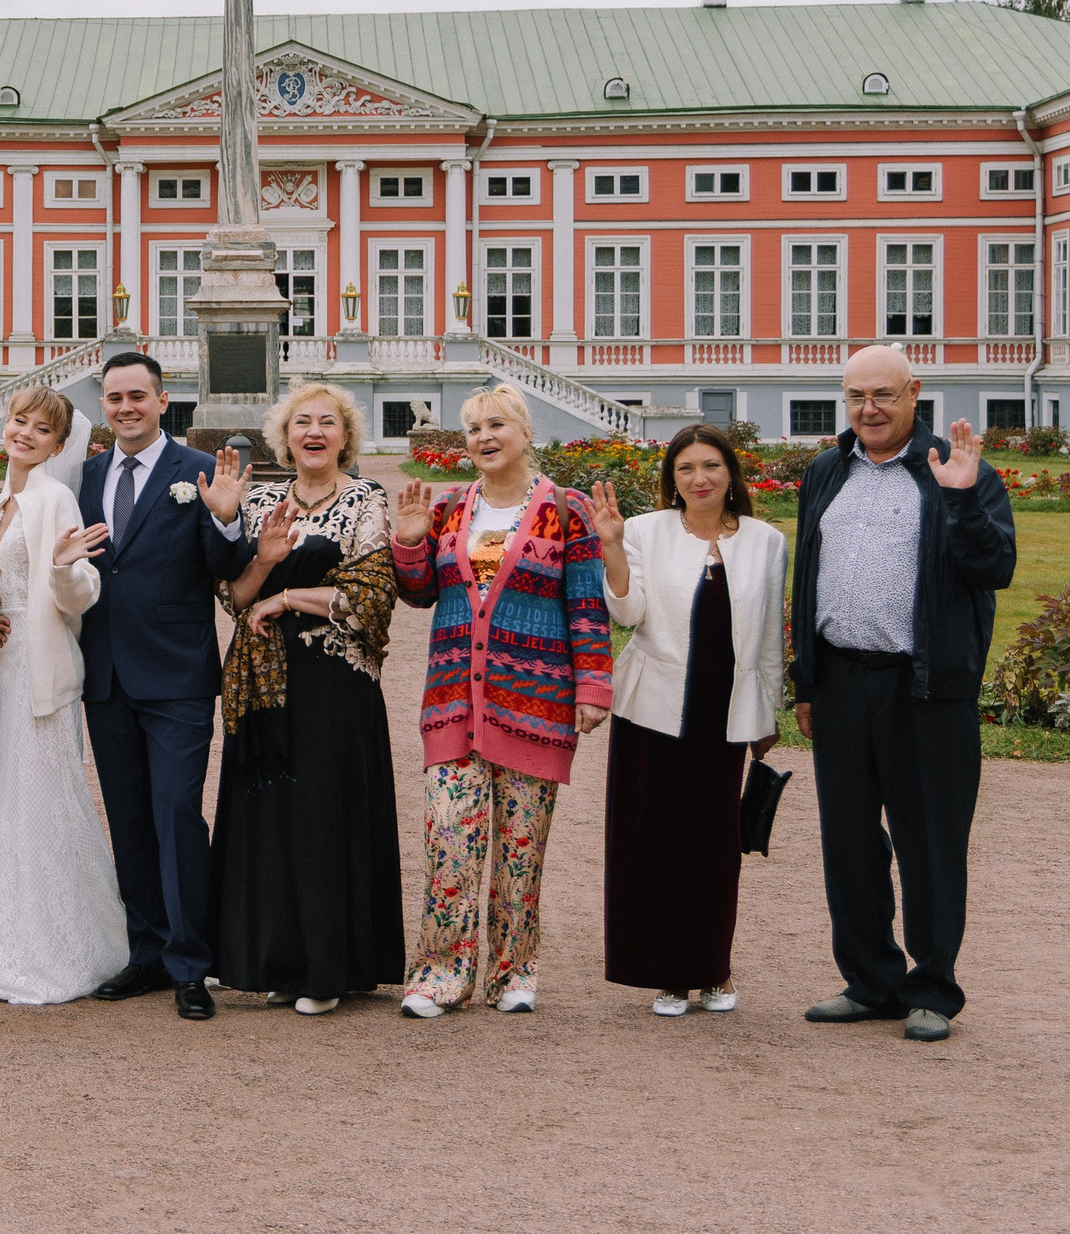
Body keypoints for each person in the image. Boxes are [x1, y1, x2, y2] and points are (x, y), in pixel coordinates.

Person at [792, 344, 1013, 1043]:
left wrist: (962, 499)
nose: (869, 409)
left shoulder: (955, 470)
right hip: (841, 680)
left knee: (929, 841)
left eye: (883, 394)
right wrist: (806, 680)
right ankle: (870, 979)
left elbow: (994, 566)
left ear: (914, 391)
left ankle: (932, 987)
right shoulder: (828, 470)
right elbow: (808, 576)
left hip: (925, 688)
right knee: (849, 841)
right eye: (857, 395)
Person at [390, 382, 611, 1017]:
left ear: (524, 432)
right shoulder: (452, 510)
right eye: (473, 429)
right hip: (454, 698)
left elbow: (587, 607)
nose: (484, 438)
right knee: (450, 841)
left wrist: (593, 688)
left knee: (521, 850)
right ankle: (440, 975)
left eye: (496, 426)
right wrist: (409, 541)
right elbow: (420, 594)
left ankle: (513, 972)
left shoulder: (564, 511)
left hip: (536, 701)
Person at [208, 381, 404, 1016]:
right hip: (263, 681)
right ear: (284, 436)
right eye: (302, 423)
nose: (313, 433)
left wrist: (286, 598)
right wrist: (262, 567)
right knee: (268, 817)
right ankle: (273, 959)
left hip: (334, 684)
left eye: (327, 423)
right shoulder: (261, 499)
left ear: (345, 436)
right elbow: (233, 597)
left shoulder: (365, 501)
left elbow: (371, 597)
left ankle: (328, 968)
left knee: (323, 815)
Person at [75, 350, 250, 1021]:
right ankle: (145, 951)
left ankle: (189, 963)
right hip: (106, 672)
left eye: (137, 396)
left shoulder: (199, 471)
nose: (125, 407)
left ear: (162, 398)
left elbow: (226, 567)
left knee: (177, 813)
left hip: (176, 673)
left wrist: (229, 520)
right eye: (114, 397)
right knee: (129, 819)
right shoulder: (85, 475)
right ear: (104, 403)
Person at [592, 424, 788, 1017]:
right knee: (651, 841)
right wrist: (611, 548)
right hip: (653, 708)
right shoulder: (645, 532)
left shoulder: (765, 541)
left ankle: (713, 970)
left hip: (725, 712)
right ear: (671, 479)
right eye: (685, 469)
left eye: (710, 466)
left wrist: (768, 710)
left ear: (731, 473)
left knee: (714, 845)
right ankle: (667, 974)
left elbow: (771, 639)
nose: (698, 479)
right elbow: (628, 613)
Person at [0, 385, 128, 1005]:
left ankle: (65, 951)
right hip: (3, 671)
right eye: (19, 422)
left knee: (45, 807)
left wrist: (64, 567)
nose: (25, 434)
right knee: (13, 807)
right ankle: (19, 942)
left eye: (41, 429)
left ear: (60, 444)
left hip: (42, 672)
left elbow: (78, 594)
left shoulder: (54, 496)